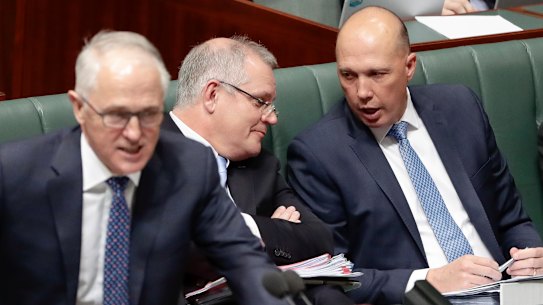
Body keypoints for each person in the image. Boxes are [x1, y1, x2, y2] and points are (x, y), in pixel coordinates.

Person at [0, 30, 286, 305]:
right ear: (79, 108)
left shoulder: (189, 166)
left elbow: (244, 263)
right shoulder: (14, 174)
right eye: (118, 115)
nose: (135, 134)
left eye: (148, 114)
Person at [287, 6, 543, 305]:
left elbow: (512, 220)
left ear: (409, 66)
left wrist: (531, 260)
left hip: (509, 291)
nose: (361, 92)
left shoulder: (461, 107)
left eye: (377, 74)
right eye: (348, 75)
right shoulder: (318, 154)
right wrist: (427, 280)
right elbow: (330, 277)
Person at [163, 36, 354, 305]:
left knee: (327, 297)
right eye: (260, 102)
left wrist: (252, 228)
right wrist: (271, 230)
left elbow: (319, 238)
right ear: (212, 95)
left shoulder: (259, 165)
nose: (272, 117)